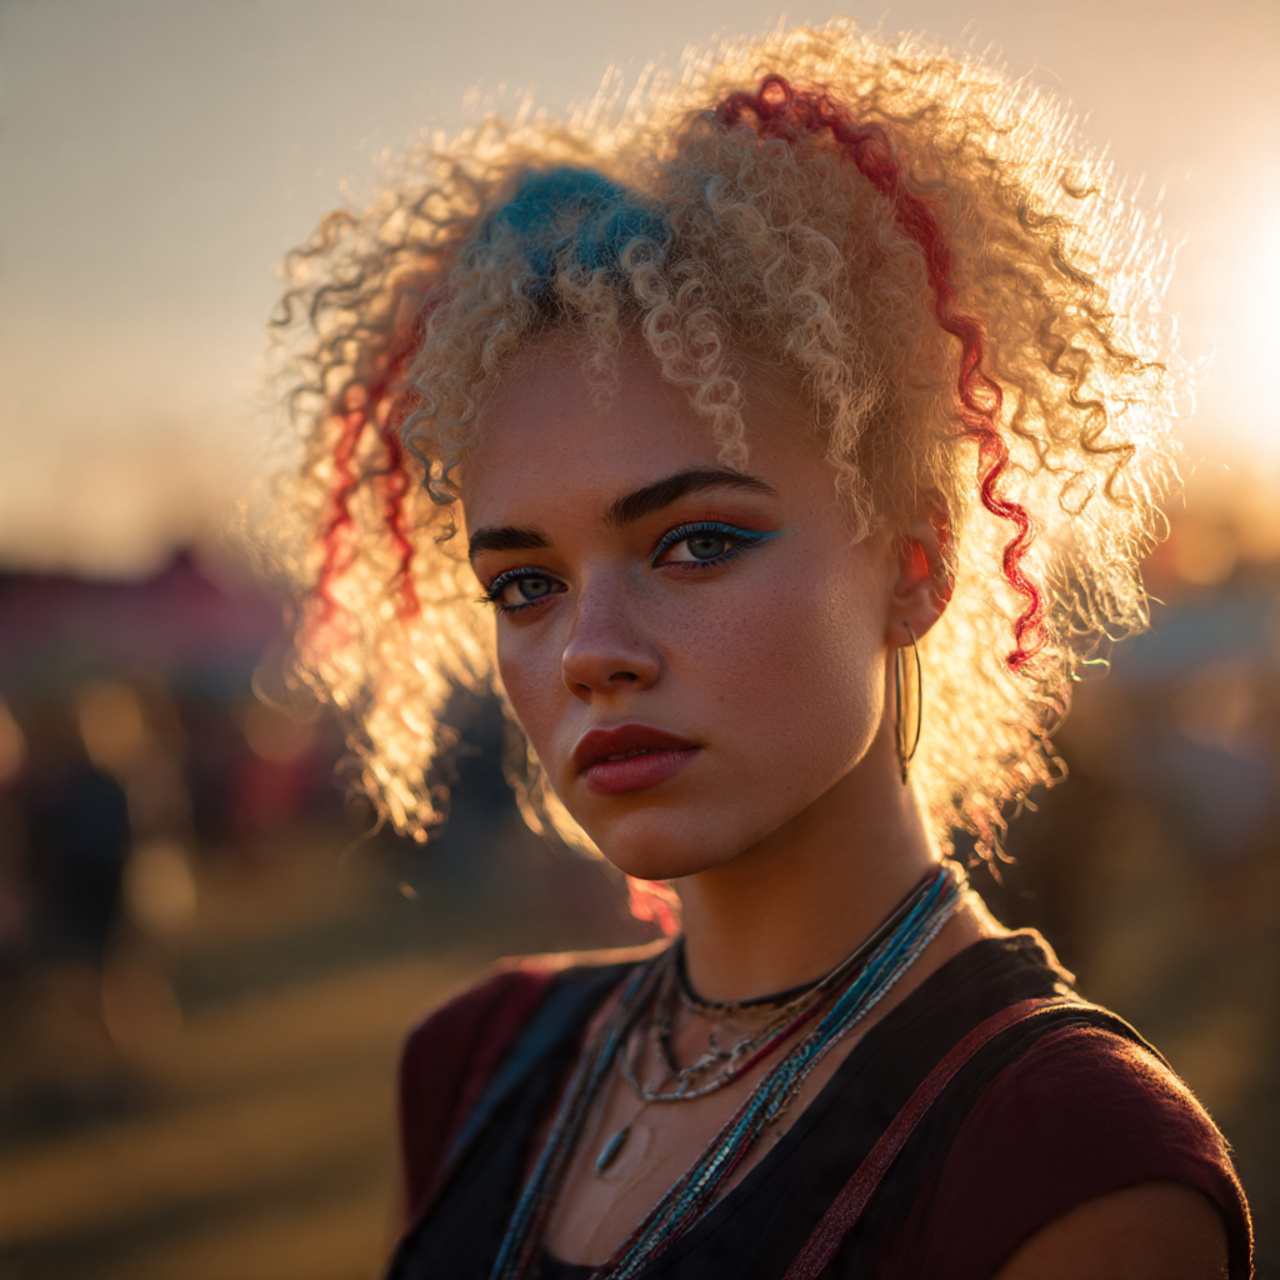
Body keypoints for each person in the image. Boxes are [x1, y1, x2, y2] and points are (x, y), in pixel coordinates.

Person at [270, 21, 1253, 1279]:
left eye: (694, 543)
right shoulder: (470, 1060)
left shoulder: (1065, 1164)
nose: (590, 650)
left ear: (913, 565)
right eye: (523, 582)